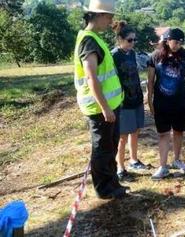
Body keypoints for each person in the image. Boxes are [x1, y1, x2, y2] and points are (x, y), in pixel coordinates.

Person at [74, 0, 127, 199]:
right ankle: (105, 190)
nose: (111, 22)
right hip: (99, 108)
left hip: (110, 105)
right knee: (102, 150)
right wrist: (105, 108)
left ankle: (113, 183)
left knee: (110, 146)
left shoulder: (95, 38)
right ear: (99, 16)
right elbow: (91, 77)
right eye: (110, 17)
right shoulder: (89, 41)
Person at [147, 28, 185, 179]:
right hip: (161, 102)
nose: (178, 45)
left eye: (181, 42)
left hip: (181, 101)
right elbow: (150, 81)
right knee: (163, 134)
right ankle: (162, 167)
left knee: (178, 131)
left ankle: (176, 160)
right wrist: (149, 100)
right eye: (175, 42)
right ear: (167, 40)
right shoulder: (155, 56)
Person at [111, 21, 148, 182]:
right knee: (122, 137)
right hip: (123, 103)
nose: (132, 43)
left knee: (136, 131)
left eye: (134, 40)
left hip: (136, 99)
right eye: (129, 40)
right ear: (120, 39)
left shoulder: (132, 54)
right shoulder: (114, 56)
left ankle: (133, 160)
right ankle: (120, 168)